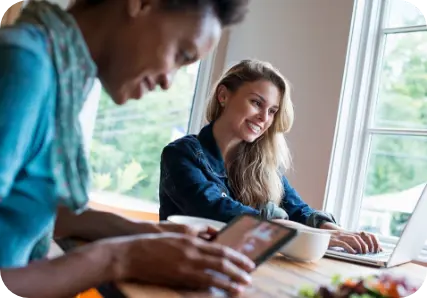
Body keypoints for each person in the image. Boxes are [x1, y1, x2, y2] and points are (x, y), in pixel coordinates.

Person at [0, 0, 255, 297]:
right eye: (181, 54)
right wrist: (119, 258)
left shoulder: (59, 76)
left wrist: (147, 233)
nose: (167, 82)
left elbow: (32, 207)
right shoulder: (23, 67)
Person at [159, 59, 382, 256]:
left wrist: (335, 231)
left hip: (237, 269)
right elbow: (213, 209)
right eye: (256, 103)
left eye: (273, 110)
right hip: (182, 269)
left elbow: (297, 209)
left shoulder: (263, 164)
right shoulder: (180, 154)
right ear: (223, 95)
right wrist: (304, 234)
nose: (264, 118)